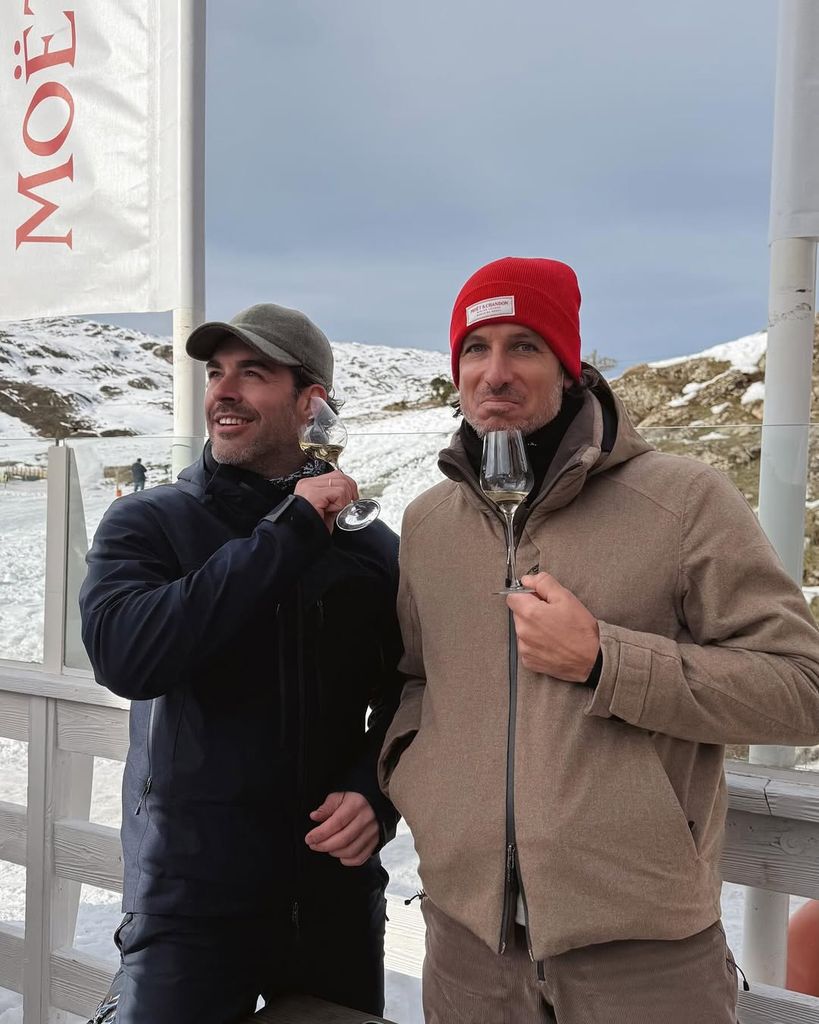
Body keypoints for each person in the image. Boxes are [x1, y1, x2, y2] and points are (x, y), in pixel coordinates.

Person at [378, 256, 819, 1024]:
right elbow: (420, 680)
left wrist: (605, 661)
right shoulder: (427, 523)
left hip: (642, 952)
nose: (494, 372)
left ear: (567, 365)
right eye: (474, 349)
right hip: (466, 942)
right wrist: (415, 780)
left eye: (523, 346)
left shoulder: (681, 499)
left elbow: (800, 689)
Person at [80, 303, 403, 1024]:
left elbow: (417, 690)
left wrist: (375, 792)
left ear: (311, 402)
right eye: (215, 372)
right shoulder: (149, 521)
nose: (223, 391)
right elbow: (127, 657)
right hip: (186, 904)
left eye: (252, 373)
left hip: (332, 899)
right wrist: (287, 532)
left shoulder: (370, 548)